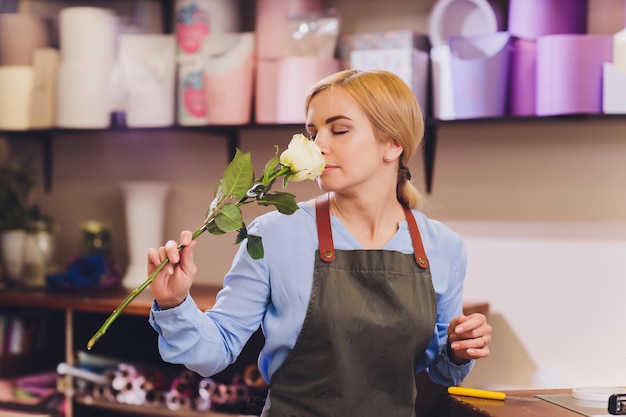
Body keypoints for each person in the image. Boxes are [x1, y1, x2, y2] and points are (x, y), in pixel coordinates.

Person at [148, 69, 492, 417]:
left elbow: (444, 371)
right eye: (313, 132)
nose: (319, 145)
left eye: (339, 130)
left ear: (393, 144)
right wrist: (175, 303)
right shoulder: (274, 233)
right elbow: (214, 352)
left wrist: (461, 348)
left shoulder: (442, 247)